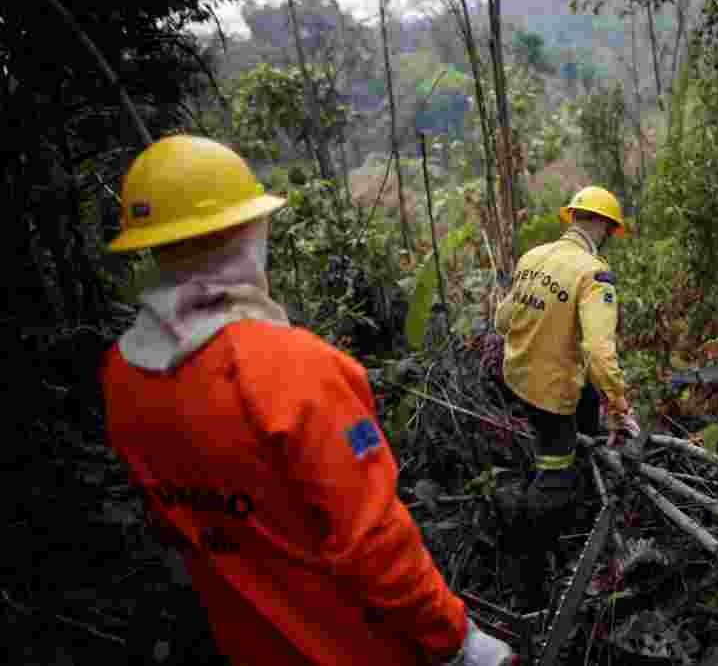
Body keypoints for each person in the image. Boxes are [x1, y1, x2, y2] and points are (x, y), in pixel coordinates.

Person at [99, 135, 514, 666]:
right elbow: (372, 541)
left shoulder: (123, 374)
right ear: (249, 233)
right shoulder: (291, 369)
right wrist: (456, 640)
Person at [494, 186, 642, 609]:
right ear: (604, 227)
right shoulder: (594, 275)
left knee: (579, 426)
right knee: (555, 475)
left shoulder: (533, 257)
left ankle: (568, 489)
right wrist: (622, 408)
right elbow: (599, 354)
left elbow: (504, 319)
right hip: (550, 394)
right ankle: (531, 574)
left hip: (517, 378)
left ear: (573, 218)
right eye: (612, 230)